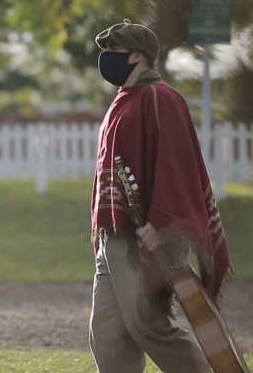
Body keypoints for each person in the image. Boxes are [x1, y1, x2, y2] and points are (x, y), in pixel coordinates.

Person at [88, 19, 233, 373]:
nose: (105, 58)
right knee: (107, 333)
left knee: (149, 327)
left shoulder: (161, 99)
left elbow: (177, 167)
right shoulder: (124, 100)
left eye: (114, 52)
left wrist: (161, 223)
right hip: (114, 235)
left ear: (138, 55)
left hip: (146, 239)